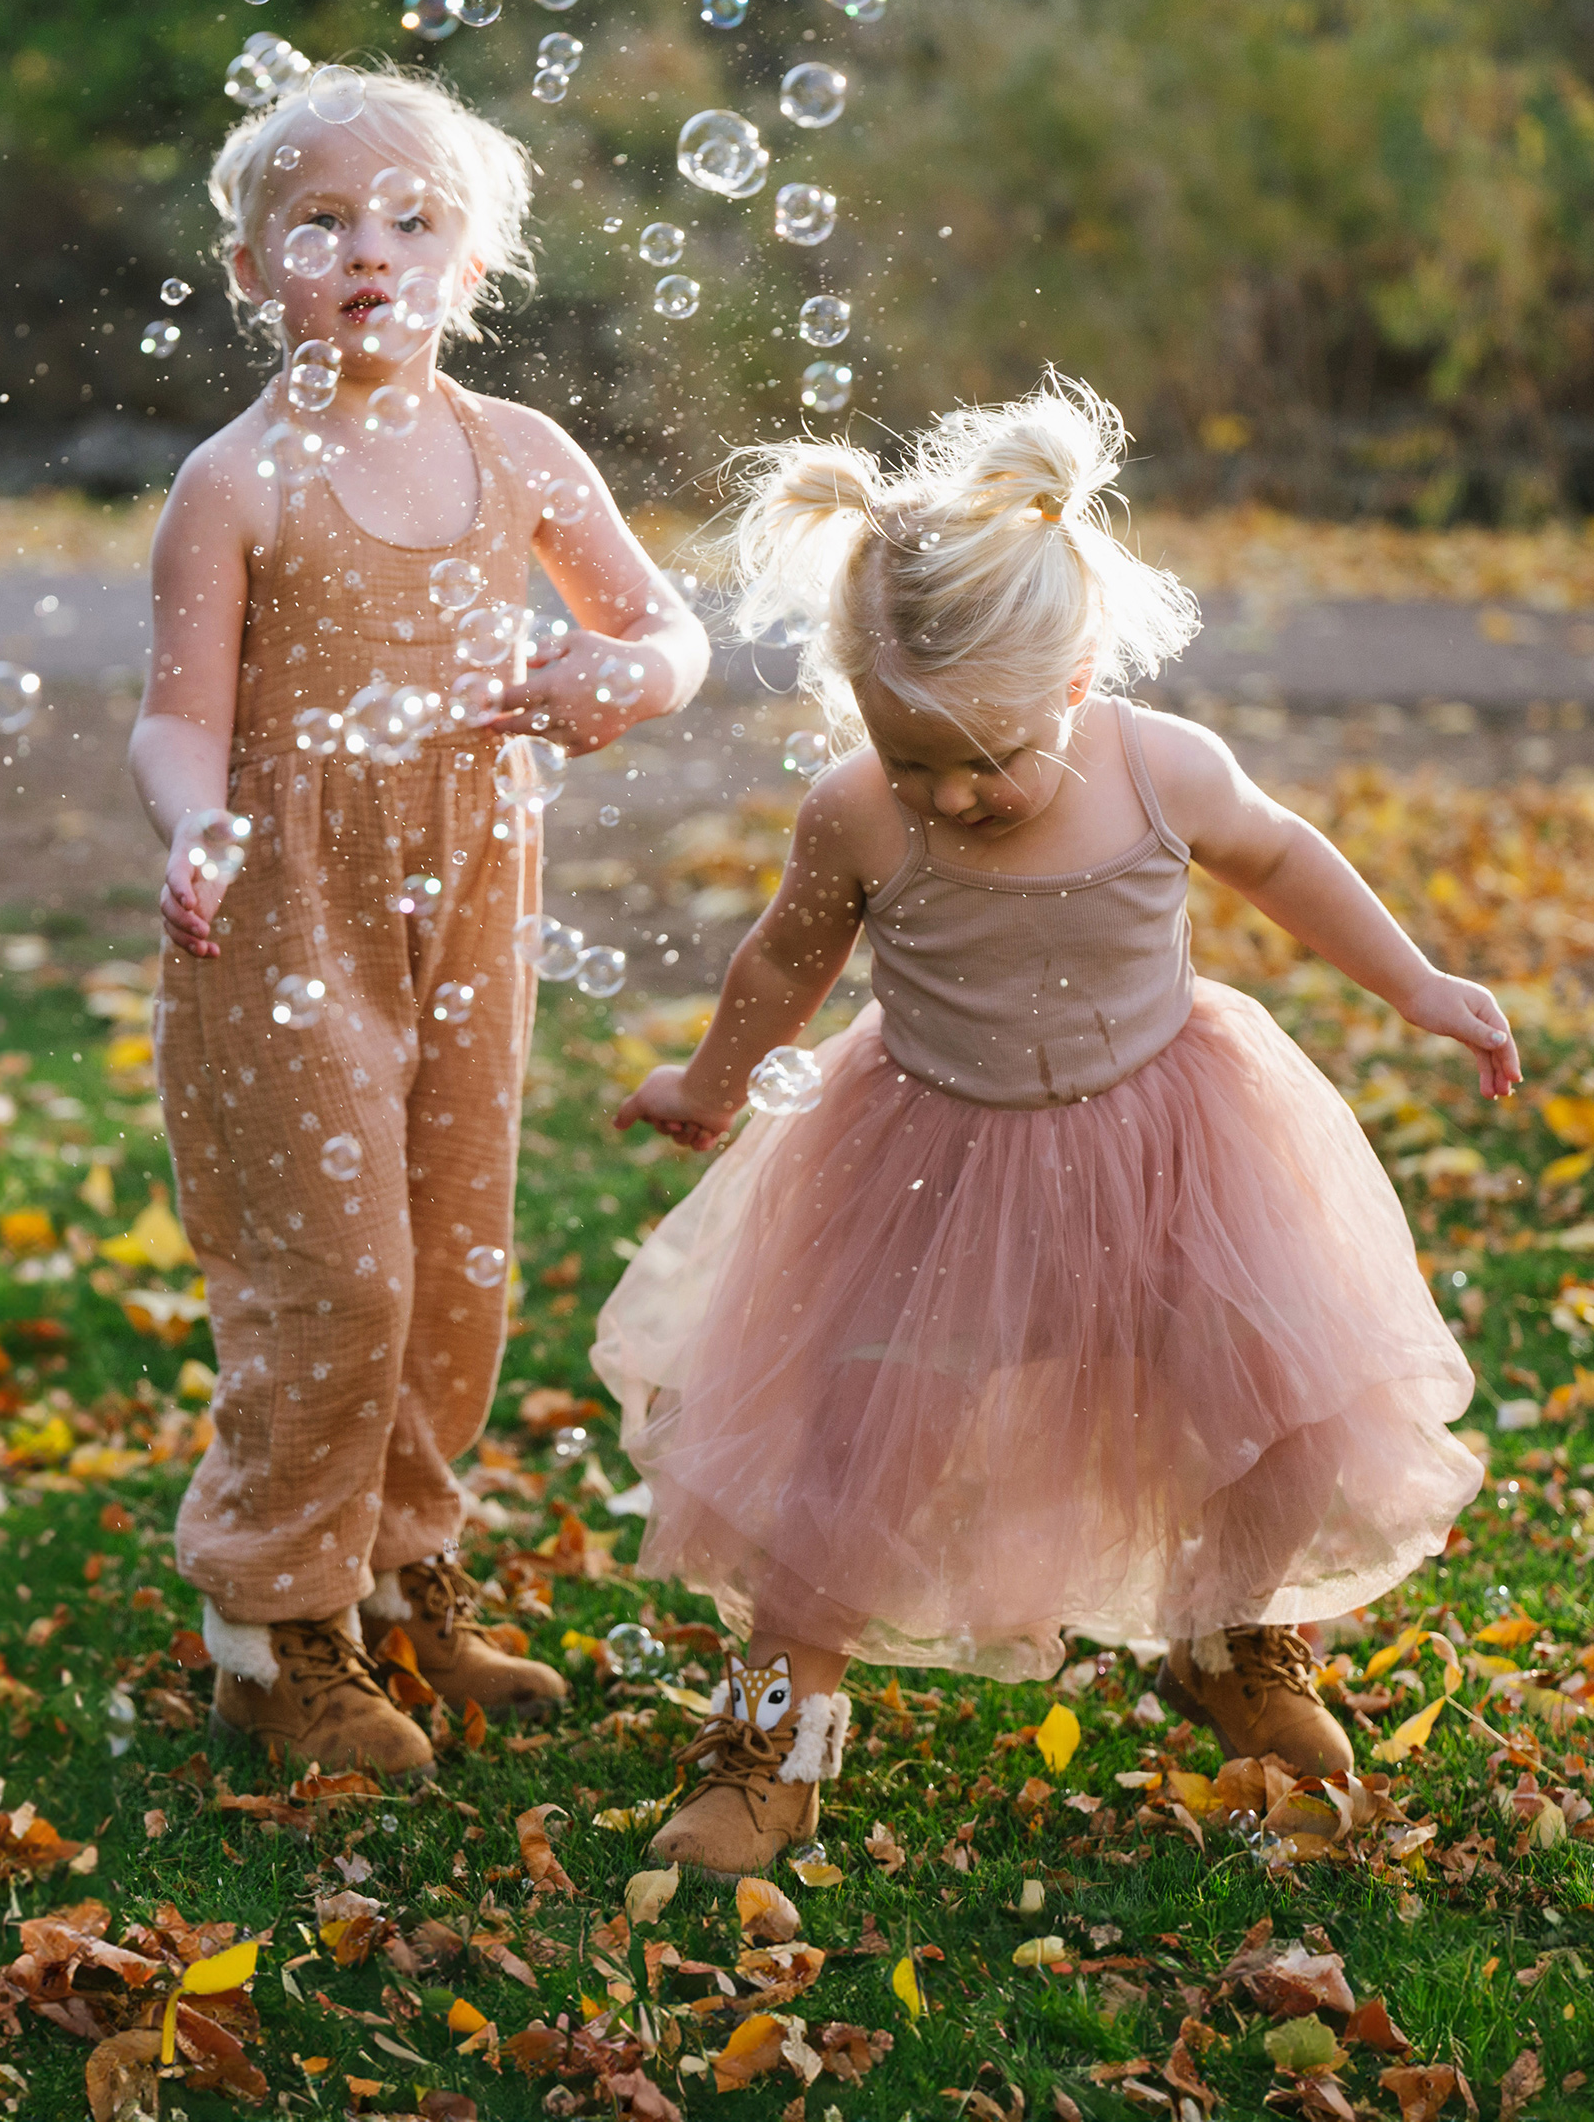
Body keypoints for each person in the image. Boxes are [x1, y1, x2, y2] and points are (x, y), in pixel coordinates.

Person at [593, 377, 1508, 1875]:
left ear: (1080, 675)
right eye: (915, 761)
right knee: (852, 1456)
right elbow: (784, 959)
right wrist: (709, 1080)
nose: (954, 792)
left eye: (989, 758)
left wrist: (1417, 983)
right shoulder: (861, 814)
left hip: (1173, 1146)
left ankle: (1232, 1631)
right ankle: (771, 1734)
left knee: (1279, 1398)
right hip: (933, 1163)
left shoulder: (1165, 769)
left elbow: (1283, 860)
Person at [130, 65, 708, 1774]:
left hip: (466, 897)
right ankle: (269, 1615)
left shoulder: (517, 453)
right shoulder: (232, 485)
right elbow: (176, 715)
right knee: (337, 1276)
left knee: (454, 1263)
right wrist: (194, 823)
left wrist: (625, 676)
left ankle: (401, 1574)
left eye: (411, 220)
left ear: (474, 263)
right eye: (318, 222)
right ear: (252, 270)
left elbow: (665, 632)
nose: (367, 251)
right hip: (285, 913)